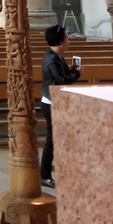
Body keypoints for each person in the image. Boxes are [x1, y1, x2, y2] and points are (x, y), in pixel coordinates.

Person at [40, 23, 81, 189]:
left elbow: (62, 75)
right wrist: (76, 73)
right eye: (67, 38)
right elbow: (62, 80)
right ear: (61, 42)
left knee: (56, 139)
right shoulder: (51, 60)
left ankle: (56, 171)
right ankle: (44, 175)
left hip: (56, 102)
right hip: (51, 103)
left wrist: (71, 70)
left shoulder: (55, 56)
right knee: (52, 140)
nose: (69, 41)